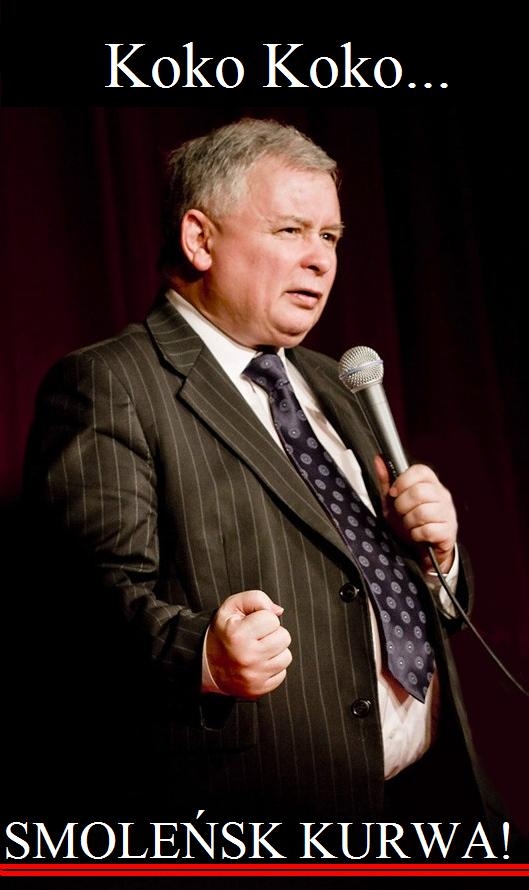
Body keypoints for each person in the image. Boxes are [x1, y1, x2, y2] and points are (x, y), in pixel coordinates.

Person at [19, 117, 513, 858]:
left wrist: (437, 556)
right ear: (200, 239)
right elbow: (81, 610)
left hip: (432, 798)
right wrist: (202, 657)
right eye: (290, 230)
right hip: (264, 816)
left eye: (331, 237)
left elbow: (376, 584)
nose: (320, 260)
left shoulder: (334, 380)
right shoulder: (112, 383)